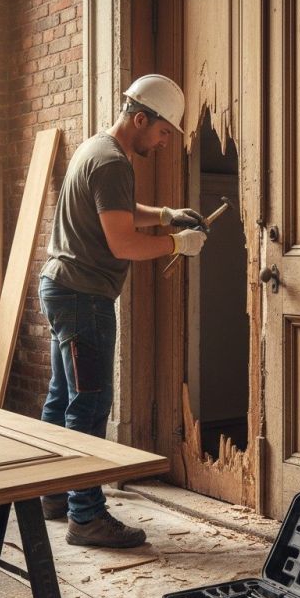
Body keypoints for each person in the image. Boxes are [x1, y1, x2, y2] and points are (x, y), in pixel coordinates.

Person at [38, 74, 207, 548]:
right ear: (140, 118)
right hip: (83, 298)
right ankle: (86, 517)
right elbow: (122, 241)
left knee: (62, 398)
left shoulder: (95, 149)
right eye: (163, 132)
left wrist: (166, 214)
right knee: (89, 405)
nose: (165, 140)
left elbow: (115, 210)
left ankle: (53, 495)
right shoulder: (114, 163)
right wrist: (177, 243)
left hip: (62, 289)